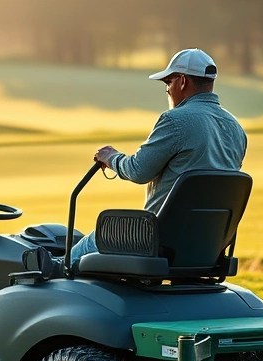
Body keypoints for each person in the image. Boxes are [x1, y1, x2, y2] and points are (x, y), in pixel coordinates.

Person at [69, 48, 247, 266]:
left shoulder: (175, 120)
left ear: (182, 81)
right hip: (210, 243)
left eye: (168, 83)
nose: (168, 91)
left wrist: (111, 157)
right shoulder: (236, 128)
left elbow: (138, 171)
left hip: (159, 240)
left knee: (74, 257)